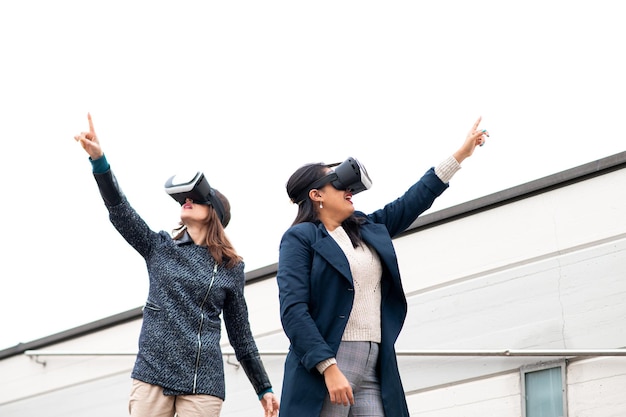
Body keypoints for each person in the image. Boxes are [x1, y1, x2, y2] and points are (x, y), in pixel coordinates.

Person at [276, 117, 489, 416]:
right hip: (328, 363)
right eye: (336, 181)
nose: (348, 188)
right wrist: (328, 367)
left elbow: (412, 201)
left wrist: (460, 155)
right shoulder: (300, 238)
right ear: (316, 195)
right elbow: (293, 310)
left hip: (375, 362)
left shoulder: (367, 227)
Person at [73, 113, 279, 417]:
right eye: (183, 198)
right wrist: (99, 163)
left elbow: (241, 335)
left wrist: (264, 388)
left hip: (203, 383)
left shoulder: (231, 268)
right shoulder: (159, 247)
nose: (186, 200)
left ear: (214, 213)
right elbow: (120, 211)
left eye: (195, 198)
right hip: (152, 374)